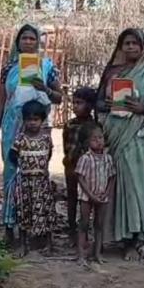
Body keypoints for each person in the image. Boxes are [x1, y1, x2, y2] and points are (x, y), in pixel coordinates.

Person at [96, 28, 144, 261]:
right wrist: (108, 103)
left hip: (143, 136)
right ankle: (124, 238)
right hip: (118, 136)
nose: (130, 47)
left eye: (134, 43)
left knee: (141, 188)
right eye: (126, 43)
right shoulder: (112, 73)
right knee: (122, 187)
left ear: (142, 47)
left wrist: (143, 108)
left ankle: (140, 238)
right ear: (120, 46)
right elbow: (98, 104)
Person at [0, 24, 62, 244]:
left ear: (38, 42)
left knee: (36, 175)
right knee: (11, 173)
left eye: (32, 39)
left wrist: (45, 89)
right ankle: (9, 226)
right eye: (24, 38)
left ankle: (36, 228)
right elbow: (2, 100)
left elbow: (59, 97)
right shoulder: (9, 67)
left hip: (38, 129)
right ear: (18, 42)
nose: (28, 42)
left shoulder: (47, 66)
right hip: (12, 125)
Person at [9, 101, 57, 256]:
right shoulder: (20, 139)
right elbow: (12, 156)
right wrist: (24, 169)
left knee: (46, 211)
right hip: (25, 183)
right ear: (24, 120)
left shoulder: (46, 139)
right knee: (24, 212)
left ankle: (48, 244)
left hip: (42, 183)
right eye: (29, 119)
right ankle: (23, 244)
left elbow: (48, 156)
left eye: (36, 119)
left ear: (42, 120)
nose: (32, 123)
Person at [75, 121, 116, 265]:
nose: (99, 141)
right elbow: (80, 177)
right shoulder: (85, 159)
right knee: (84, 224)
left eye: (101, 137)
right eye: (94, 139)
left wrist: (107, 193)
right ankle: (81, 255)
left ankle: (97, 253)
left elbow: (112, 177)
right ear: (87, 142)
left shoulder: (108, 158)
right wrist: (90, 195)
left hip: (102, 196)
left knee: (99, 224)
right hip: (86, 196)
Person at [62, 87, 97, 238]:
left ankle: (84, 230)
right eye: (74, 103)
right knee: (71, 197)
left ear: (89, 105)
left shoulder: (94, 127)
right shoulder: (69, 125)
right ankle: (71, 228)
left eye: (80, 103)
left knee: (86, 199)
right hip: (71, 166)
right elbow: (66, 146)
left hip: (88, 171)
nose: (75, 106)